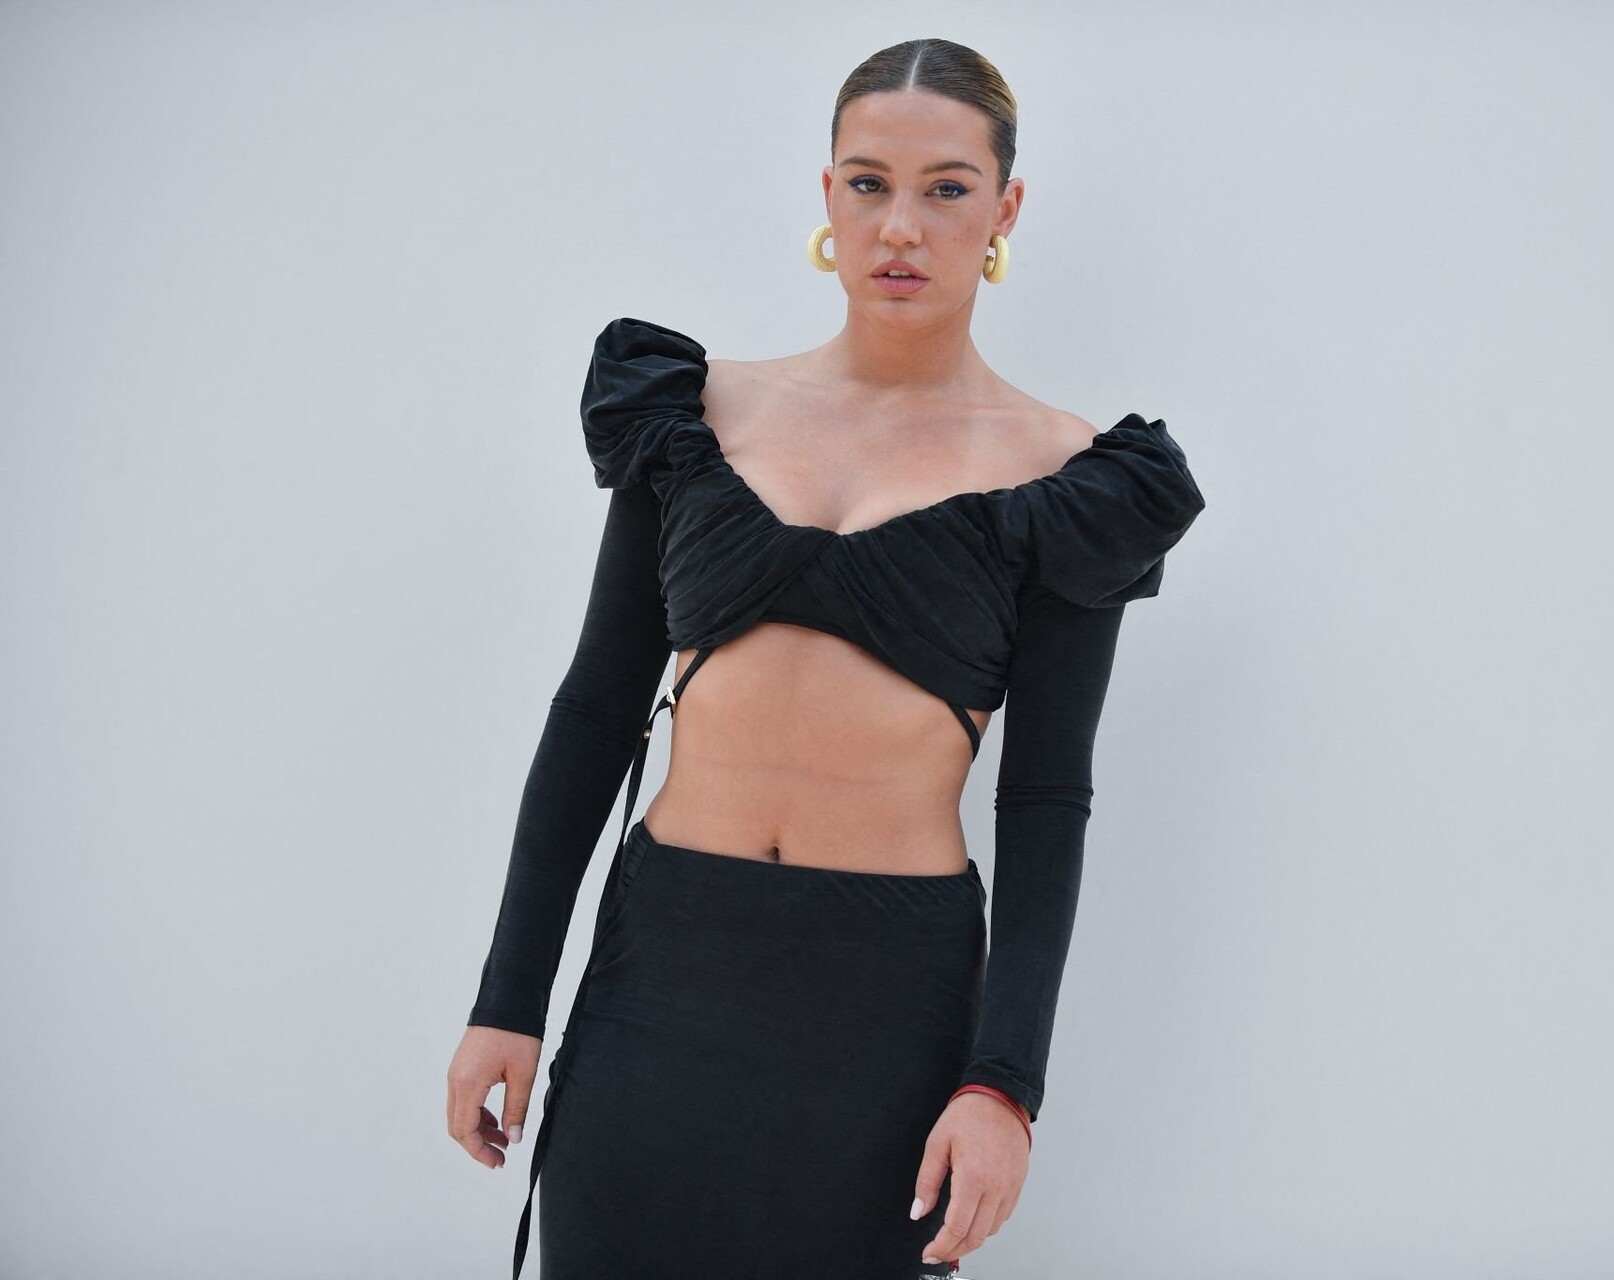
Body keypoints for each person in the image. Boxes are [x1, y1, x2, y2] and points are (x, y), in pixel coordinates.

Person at [444, 36, 1206, 1280]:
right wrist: (509, 996)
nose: (901, 225)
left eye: (948, 188)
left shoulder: (1068, 479)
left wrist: (1004, 1085)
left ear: (1006, 209)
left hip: (887, 1010)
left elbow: (1045, 795)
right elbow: (594, 711)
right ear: (828, 195)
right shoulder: (691, 412)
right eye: (869, 183)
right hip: (661, 982)